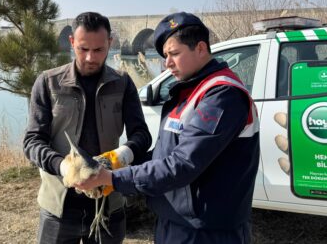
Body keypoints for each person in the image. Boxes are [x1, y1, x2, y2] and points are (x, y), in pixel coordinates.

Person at [76, 12, 260, 243]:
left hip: (207, 230)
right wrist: (119, 161)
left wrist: (112, 179)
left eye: (174, 54)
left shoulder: (222, 96)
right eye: (165, 55)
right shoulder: (189, 91)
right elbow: (166, 154)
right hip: (176, 220)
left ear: (201, 48)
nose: (167, 63)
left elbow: (182, 165)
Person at [23, 11, 152, 244]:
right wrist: (63, 167)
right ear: (72, 42)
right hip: (59, 209)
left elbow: (142, 135)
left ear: (109, 43)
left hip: (108, 205)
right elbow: (32, 142)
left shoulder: (123, 83)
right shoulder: (48, 82)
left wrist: (118, 157)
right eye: (83, 49)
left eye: (99, 50)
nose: (91, 58)